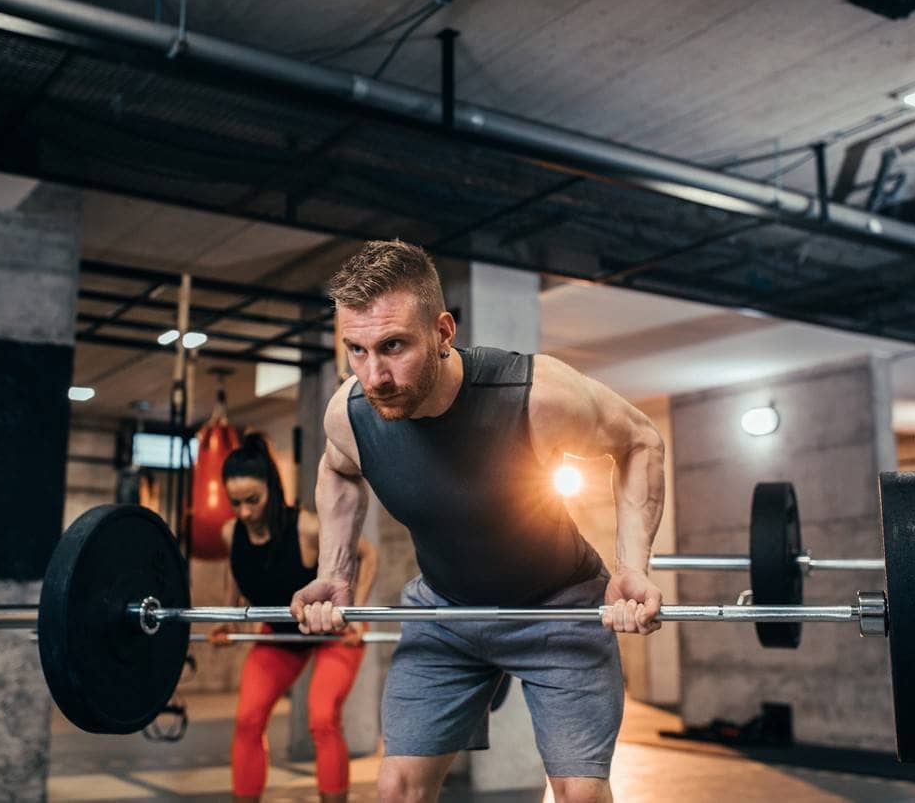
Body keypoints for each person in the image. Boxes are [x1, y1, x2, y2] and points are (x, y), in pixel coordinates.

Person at [289, 241, 666, 803]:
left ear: (443, 332)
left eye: (393, 346)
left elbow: (640, 442)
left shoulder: (535, 393)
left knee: (580, 795)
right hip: (444, 614)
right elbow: (338, 471)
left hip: (559, 609)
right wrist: (334, 572)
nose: (376, 375)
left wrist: (632, 566)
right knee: (396, 791)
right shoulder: (350, 414)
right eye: (357, 350)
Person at [210, 433, 378, 803]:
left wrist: (355, 614)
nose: (244, 512)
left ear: (271, 488)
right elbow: (235, 572)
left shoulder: (304, 527)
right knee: (248, 720)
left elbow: (368, 553)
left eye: (253, 500)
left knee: (321, 718)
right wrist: (227, 616)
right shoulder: (230, 533)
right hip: (280, 636)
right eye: (235, 502)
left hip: (333, 632)